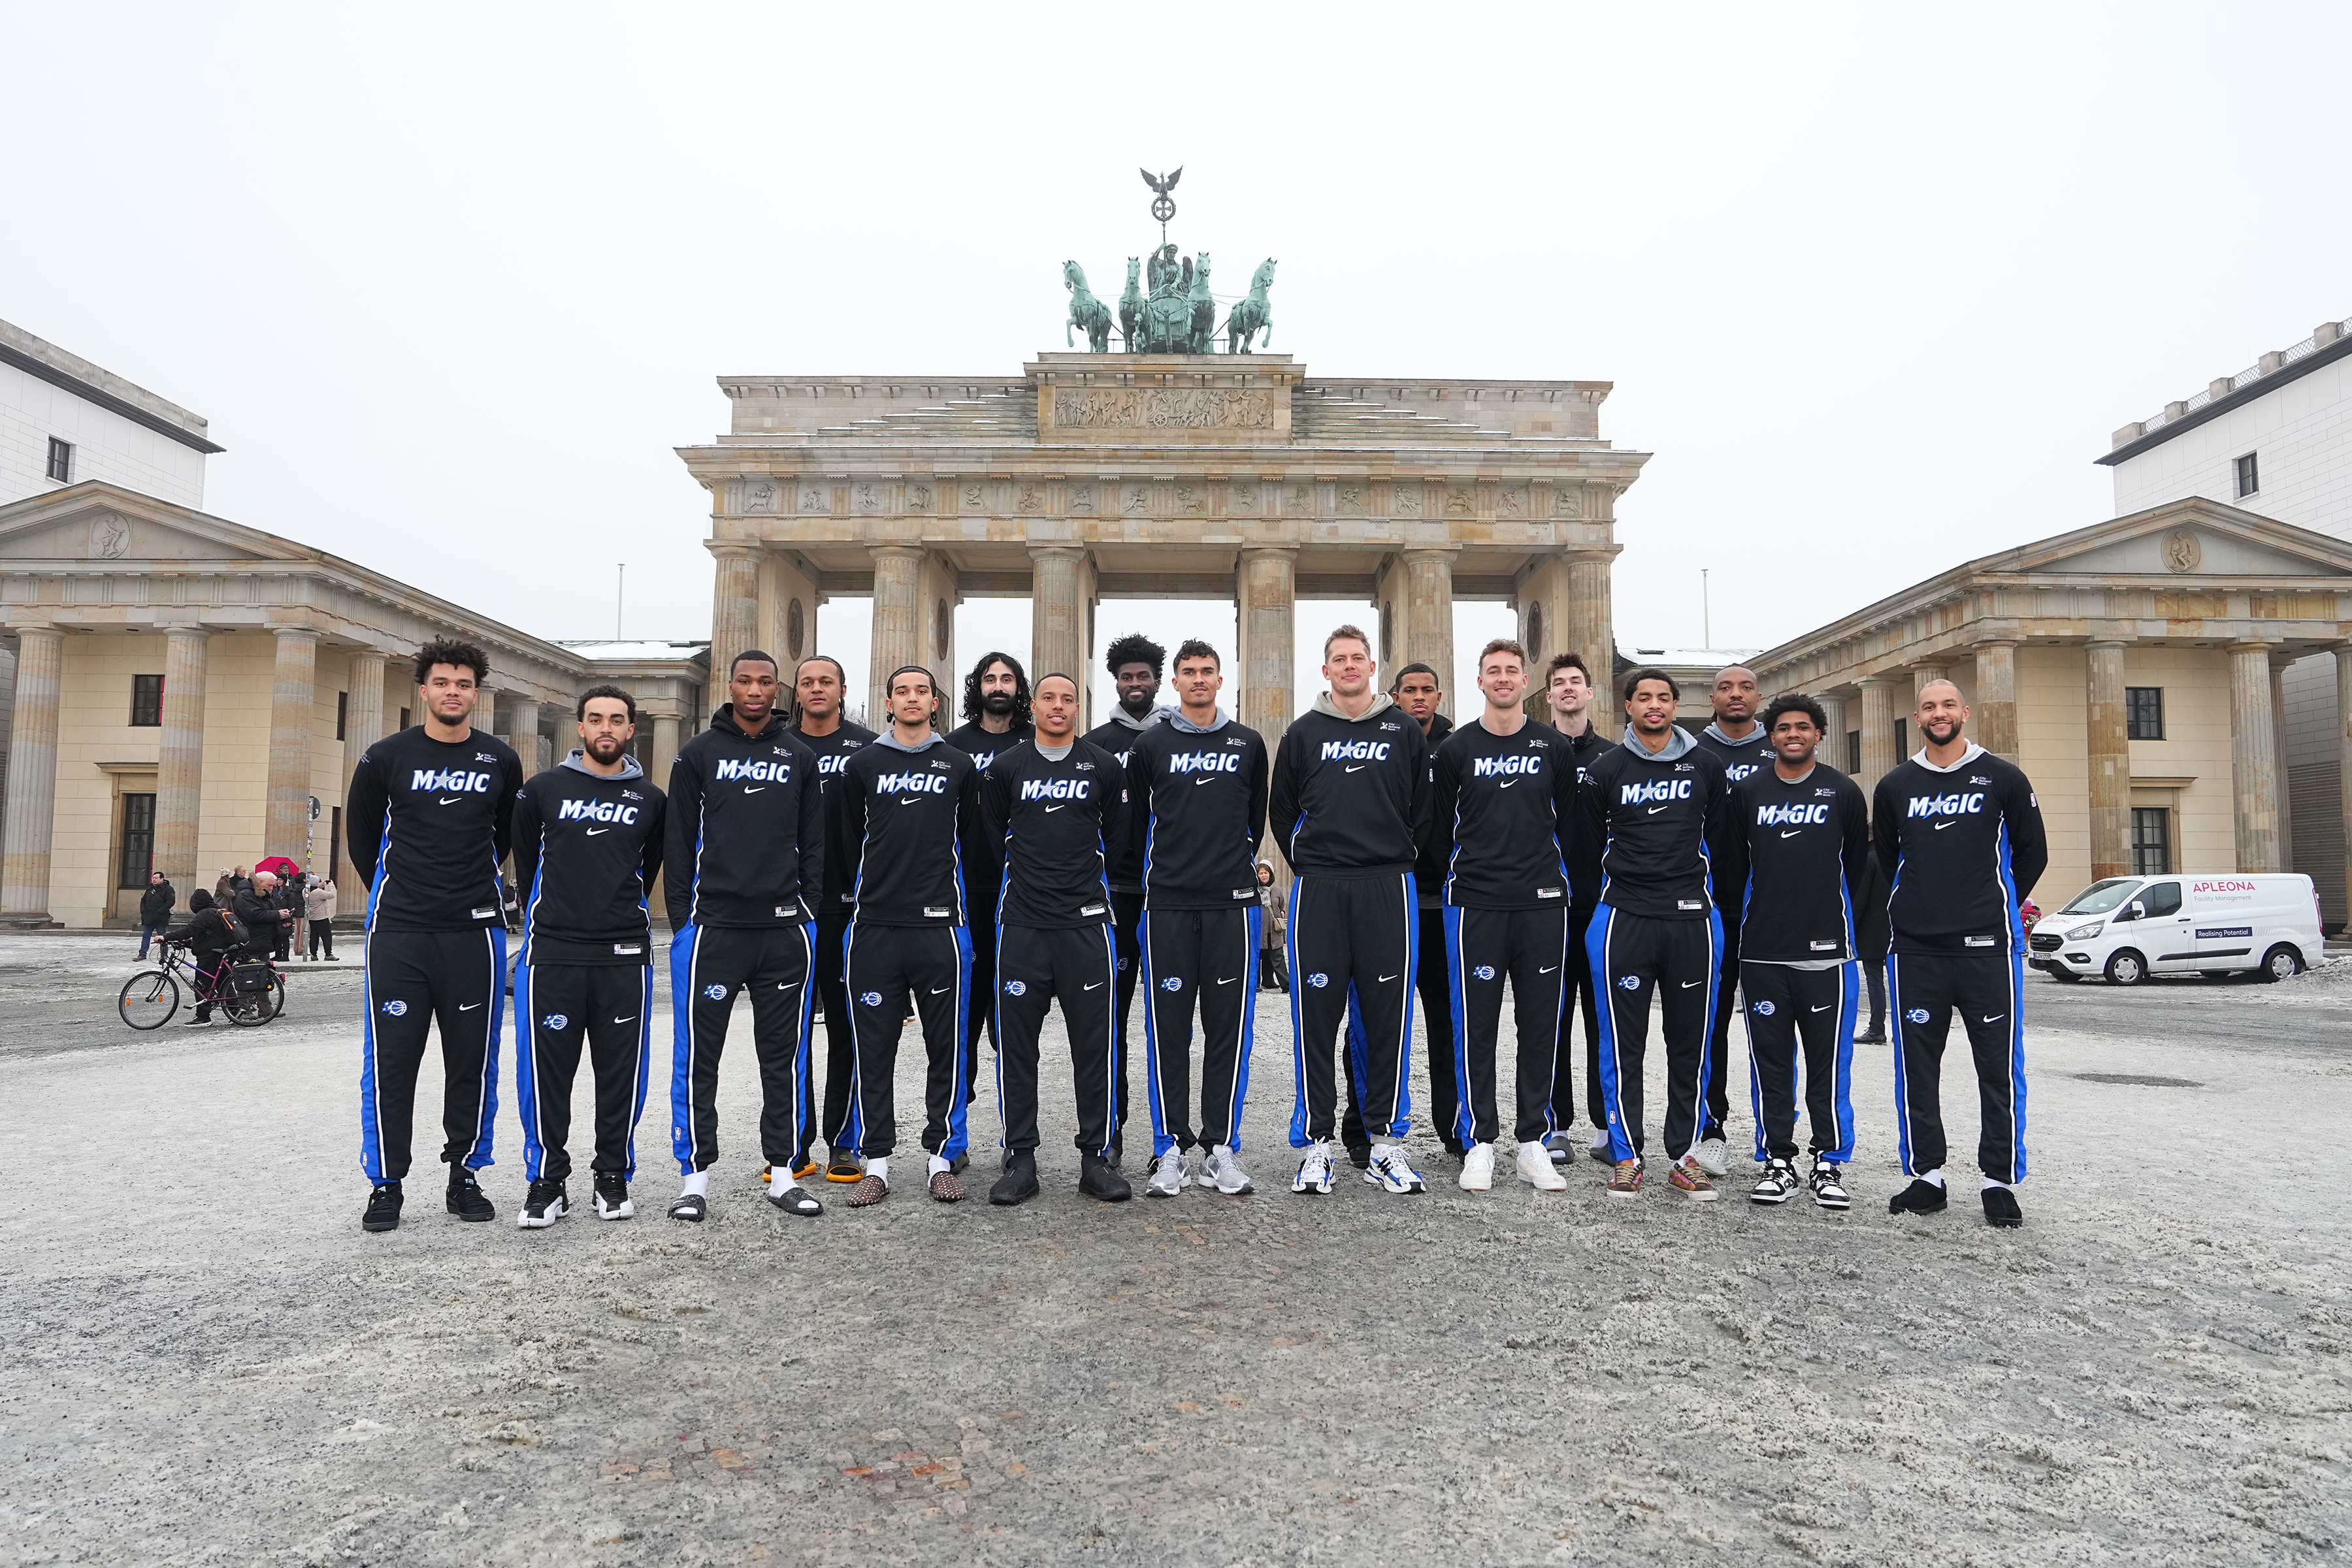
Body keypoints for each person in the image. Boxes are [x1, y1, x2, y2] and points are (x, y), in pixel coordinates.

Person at [346, 638, 525, 1233]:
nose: (453, 691)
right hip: (398, 930)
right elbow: (364, 840)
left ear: (477, 693)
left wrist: (464, 890)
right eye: (443, 682)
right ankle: (386, 1182)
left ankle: (464, 1174)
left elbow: (503, 839)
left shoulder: (500, 760)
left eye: (464, 683)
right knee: (392, 1062)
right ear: (423, 690)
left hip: (473, 934)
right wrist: (405, 893)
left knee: (471, 1061)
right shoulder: (384, 757)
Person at [1874, 678, 2047, 1229]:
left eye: (1948, 704)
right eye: (1928, 706)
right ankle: (1927, 1176)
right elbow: (1887, 859)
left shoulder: (2003, 777)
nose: (1939, 713)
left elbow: (2033, 851)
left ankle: (1999, 1180)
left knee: (1997, 1068)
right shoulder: (1896, 784)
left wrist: (1985, 900)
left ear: (1965, 713)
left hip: (1987, 949)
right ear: (1917, 717)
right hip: (1917, 952)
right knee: (1916, 1068)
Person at [663, 651, 827, 1222]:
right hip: (714, 931)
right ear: (729, 686)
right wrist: (685, 919)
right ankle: (694, 1178)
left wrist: (805, 907)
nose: (755, 690)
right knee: (697, 1058)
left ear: (777, 689)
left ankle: (783, 1174)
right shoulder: (698, 754)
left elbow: (815, 843)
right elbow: (678, 843)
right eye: (744, 681)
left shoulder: (798, 756)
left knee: (782, 1057)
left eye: (764, 682)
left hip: (784, 932)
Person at [1267, 625, 1431, 1198]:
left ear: (1372, 666)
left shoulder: (1403, 729)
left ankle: (1385, 1144)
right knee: (1314, 1019)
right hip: (1322, 887)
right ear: (1326, 670)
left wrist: (1391, 854)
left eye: (1357, 658)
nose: (1349, 666)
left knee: (1388, 1018)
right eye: (1339, 659)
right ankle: (1317, 1145)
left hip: (1388, 885)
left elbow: (1424, 811)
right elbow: (1281, 809)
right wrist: (1312, 860)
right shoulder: (1303, 732)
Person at [510, 685, 668, 1228]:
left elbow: (645, 872)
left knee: (619, 1071)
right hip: (552, 953)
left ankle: (611, 1174)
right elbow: (530, 869)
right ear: (579, 728)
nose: (606, 727)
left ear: (630, 731)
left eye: (617, 720)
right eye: (596, 719)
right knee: (547, 1073)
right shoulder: (542, 791)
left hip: (623, 955)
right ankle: (548, 1179)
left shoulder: (651, 799)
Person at [974, 672, 1134, 1205]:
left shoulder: (1103, 767)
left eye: (1069, 699)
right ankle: (1021, 1158)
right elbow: (992, 839)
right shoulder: (1006, 767)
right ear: (1033, 706)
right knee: (1017, 1049)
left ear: (1078, 708)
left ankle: (1096, 1157)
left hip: (1086, 927)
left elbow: (1118, 837)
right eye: (1049, 698)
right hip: (1022, 927)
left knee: (1094, 1046)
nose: (1059, 706)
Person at [1428, 639, 1576, 1195]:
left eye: (1513, 671)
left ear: (1525, 680)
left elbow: (1566, 823)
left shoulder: (1551, 747)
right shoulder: (1456, 749)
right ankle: (1480, 1142)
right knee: (1476, 1027)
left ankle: (1533, 1142)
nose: (1504, 679)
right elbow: (1439, 831)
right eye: (1494, 671)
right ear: (1481, 680)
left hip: (1541, 903)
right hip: (1475, 904)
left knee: (1540, 1025)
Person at [1578, 668, 1731, 1201]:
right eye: (1645, 698)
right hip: (1625, 917)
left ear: (1676, 705)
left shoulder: (1707, 767)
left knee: (1692, 1043)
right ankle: (1625, 1154)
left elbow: (1720, 840)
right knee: (1623, 1045)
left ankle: (1686, 1155)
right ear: (1628, 706)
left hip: (1692, 918)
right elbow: (1586, 845)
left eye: (1664, 698)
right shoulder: (1605, 770)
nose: (1656, 706)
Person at [1125, 639, 1270, 1198]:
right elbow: (1137, 822)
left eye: (1207, 671)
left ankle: (1220, 1148)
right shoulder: (1151, 745)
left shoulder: (1248, 743)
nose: (1199, 680)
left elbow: (1254, 817)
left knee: (1228, 1030)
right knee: (1168, 1030)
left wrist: (1229, 867)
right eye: (1189, 672)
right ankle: (1169, 1148)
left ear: (1220, 679)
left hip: (1231, 906)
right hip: (1166, 904)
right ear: (1175, 683)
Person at [1715, 694, 1869, 1209]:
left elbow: (1857, 871)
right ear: (1771, 735)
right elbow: (1733, 872)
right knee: (1771, 1064)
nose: (1793, 735)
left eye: (1803, 727)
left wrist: (1846, 932)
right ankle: (1777, 1160)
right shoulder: (1749, 793)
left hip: (1827, 955)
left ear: (1818, 734)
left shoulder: (1843, 791)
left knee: (1828, 1065)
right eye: (1783, 728)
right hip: (1761, 954)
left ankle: (1828, 1162)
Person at [837, 664, 983, 1207]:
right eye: (902, 691)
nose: (913, 698)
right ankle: (876, 1161)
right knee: (872, 1048)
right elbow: (851, 839)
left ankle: (941, 1158)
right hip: (874, 928)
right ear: (889, 702)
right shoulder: (864, 765)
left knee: (946, 1047)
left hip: (940, 928)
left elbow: (970, 839)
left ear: (935, 702)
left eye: (922, 690)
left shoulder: (958, 765)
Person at [1347, 661, 1456, 1166]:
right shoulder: (1375, 738)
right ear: (1394, 695)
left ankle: (1454, 1126)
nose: (1418, 698)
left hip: (1441, 905)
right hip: (1384, 896)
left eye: (1426, 690)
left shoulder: (1457, 748)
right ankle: (1361, 1124)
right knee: (1370, 1020)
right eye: (1408, 690)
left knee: (1446, 1020)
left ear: (1438, 696)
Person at [1081, 632, 1171, 1168]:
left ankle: (1172, 1139)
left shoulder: (1178, 737)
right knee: (1108, 1019)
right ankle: (1109, 1131)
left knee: (1168, 1018)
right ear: (1116, 681)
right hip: (1112, 895)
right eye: (1127, 677)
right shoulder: (1094, 741)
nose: (1135, 684)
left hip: (1165, 893)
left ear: (1158, 681)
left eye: (1143, 676)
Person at [789, 653, 878, 1185]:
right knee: (791, 1033)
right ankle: (792, 1143)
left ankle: (845, 1142)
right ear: (795, 693)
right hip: (791, 908)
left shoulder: (867, 749)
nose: (817, 689)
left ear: (842, 690)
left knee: (849, 1029)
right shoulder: (778, 748)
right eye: (807, 682)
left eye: (827, 681)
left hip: (849, 908)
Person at [1690, 664, 1778, 1177]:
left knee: (1771, 1026)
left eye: (1745, 687)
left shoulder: (1781, 749)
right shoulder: (1696, 755)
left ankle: (1776, 1139)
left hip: (1770, 911)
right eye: (1726, 688)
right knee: (1711, 1024)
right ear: (1712, 698)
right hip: (1713, 907)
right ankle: (1711, 1127)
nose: (1736, 695)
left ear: (1758, 696)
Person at [945, 652, 1035, 1127]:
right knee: (960, 1020)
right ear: (976, 686)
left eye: (1007, 678)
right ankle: (953, 1133)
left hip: (1020, 897)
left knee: (1012, 1025)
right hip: (963, 896)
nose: (998, 685)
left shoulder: (1036, 742)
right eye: (989, 678)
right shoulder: (952, 745)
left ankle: (1014, 1137)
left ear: (1019, 687)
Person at [1543, 652, 1616, 1168]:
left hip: (1599, 906)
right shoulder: (1535, 751)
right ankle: (1554, 1125)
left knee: (1604, 1018)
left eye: (1576, 682)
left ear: (1590, 693)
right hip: (1543, 906)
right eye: (1559, 684)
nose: (1568, 689)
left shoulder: (1614, 759)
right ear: (1547, 696)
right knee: (1550, 1018)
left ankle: (1606, 1123)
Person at [162, 887, 239, 1026]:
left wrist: (165, 937)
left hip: (209, 956)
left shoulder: (204, 914)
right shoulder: (216, 912)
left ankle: (203, 1017)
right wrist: (189, 943)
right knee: (223, 983)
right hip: (221, 954)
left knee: (202, 985)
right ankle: (236, 1012)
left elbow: (189, 930)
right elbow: (208, 937)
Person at [1854, 847, 1892, 1044]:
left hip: (1872, 930)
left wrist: (1851, 929)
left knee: (1875, 980)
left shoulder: (1870, 859)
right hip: (1898, 928)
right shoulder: (1900, 855)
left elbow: (1860, 899)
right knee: (1899, 982)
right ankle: (1903, 1030)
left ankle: (1877, 1028)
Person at [233, 872, 291, 966]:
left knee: (265, 975)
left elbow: (268, 911)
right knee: (252, 974)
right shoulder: (246, 894)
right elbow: (254, 915)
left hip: (263, 941)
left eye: (273, 886)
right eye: (270, 885)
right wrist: (277, 914)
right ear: (260, 882)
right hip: (252, 942)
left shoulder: (262, 894)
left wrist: (281, 914)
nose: (271, 888)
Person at [137, 870, 174, 960]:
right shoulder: (150, 889)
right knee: (146, 936)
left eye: (156, 878)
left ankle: (164, 954)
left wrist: (161, 911)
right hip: (148, 917)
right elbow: (143, 900)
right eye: (153, 878)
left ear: (162, 879)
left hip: (161, 918)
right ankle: (142, 954)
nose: (154, 880)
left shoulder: (168, 889)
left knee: (162, 937)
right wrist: (143, 911)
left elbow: (171, 901)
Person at [305, 878, 337, 961]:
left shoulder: (306, 891)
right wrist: (331, 886)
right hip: (321, 917)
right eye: (318, 882)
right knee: (327, 936)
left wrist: (321, 885)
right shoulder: (318, 892)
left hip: (312, 917)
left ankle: (314, 954)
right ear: (315, 883)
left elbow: (314, 888)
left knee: (314, 936)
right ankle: (328, 954)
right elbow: (331, 895)